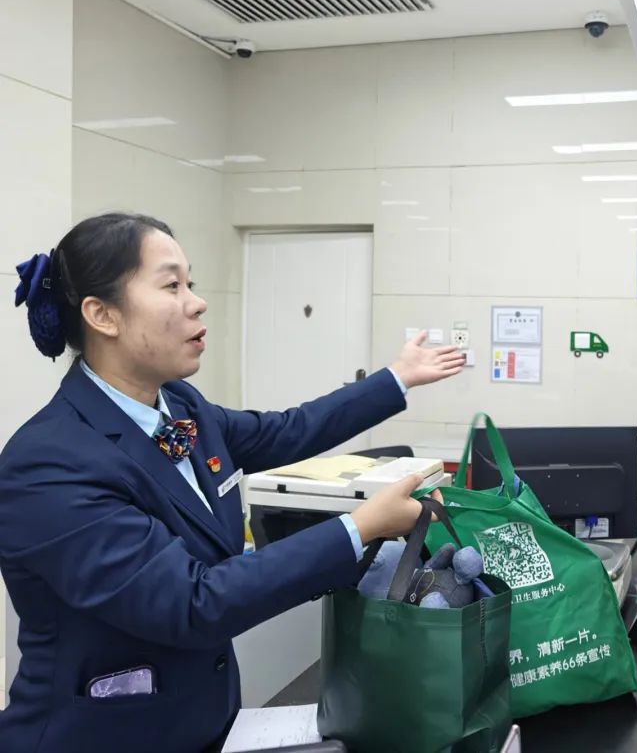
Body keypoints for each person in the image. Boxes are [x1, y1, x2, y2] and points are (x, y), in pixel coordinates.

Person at [0, 212, 465, 752]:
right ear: (102, 315)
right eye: (171, 286)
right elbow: (191, 603)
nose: (197, 302)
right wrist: (359, 528)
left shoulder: (180, 406)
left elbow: (285, 431)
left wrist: (395, 379)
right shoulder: (49, 464)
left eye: (191, 283)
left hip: (204, 723)